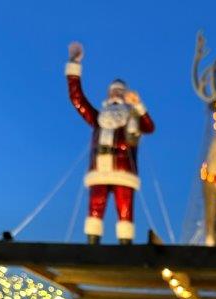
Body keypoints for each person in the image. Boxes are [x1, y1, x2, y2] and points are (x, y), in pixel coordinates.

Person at [65, 42, 155, 244]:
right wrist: (74, 67)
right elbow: (77, 99)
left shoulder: (132, 119)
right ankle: (92, 243)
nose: (116, 95)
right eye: (113, 91)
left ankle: (125, 246)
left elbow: (149, 127)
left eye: (120, 92)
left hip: (124, 171)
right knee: (95, 207)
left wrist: (138, 105)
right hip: (100, 170)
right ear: (108, 95)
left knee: (125, 209)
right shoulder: (98, 118)